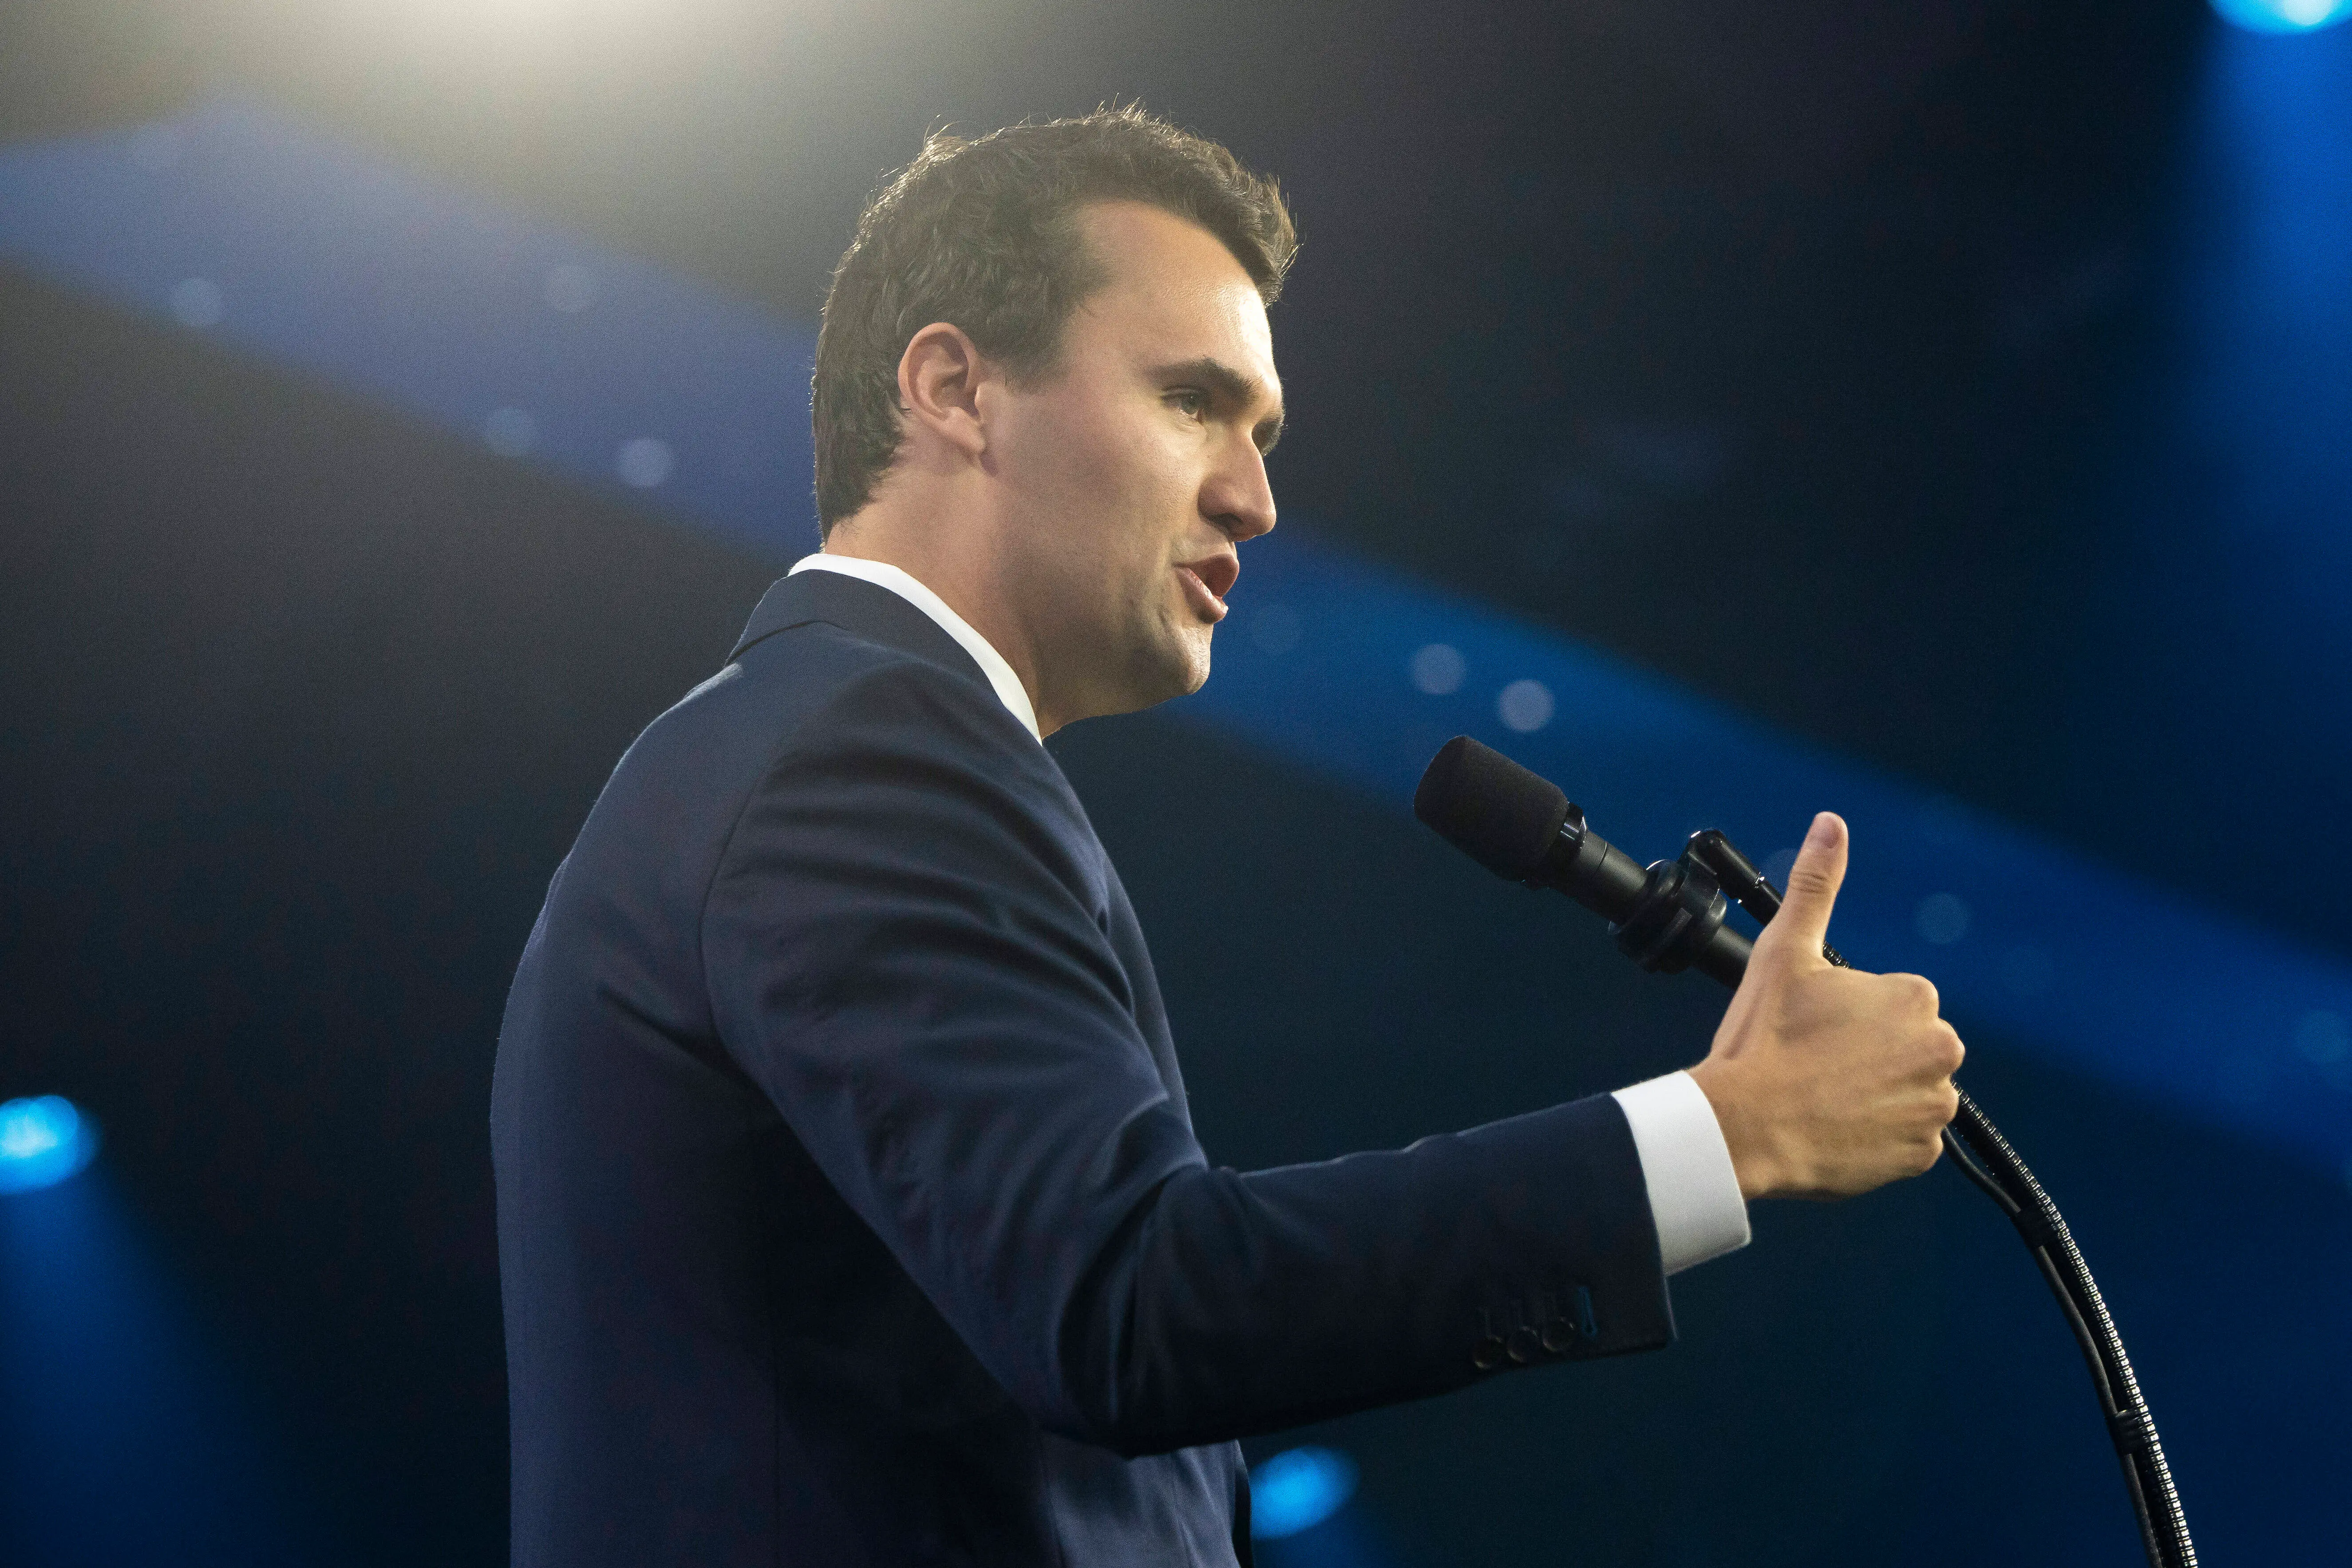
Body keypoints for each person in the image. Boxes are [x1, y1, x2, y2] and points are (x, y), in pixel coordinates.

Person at [489, 108, 1965, 1567]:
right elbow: (1133, 1304)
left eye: (1262, 432)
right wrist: (1732, 1127)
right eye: (1197, 402)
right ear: (953, 388)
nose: (1255, 497)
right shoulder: (858, 751)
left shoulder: (851, 750)